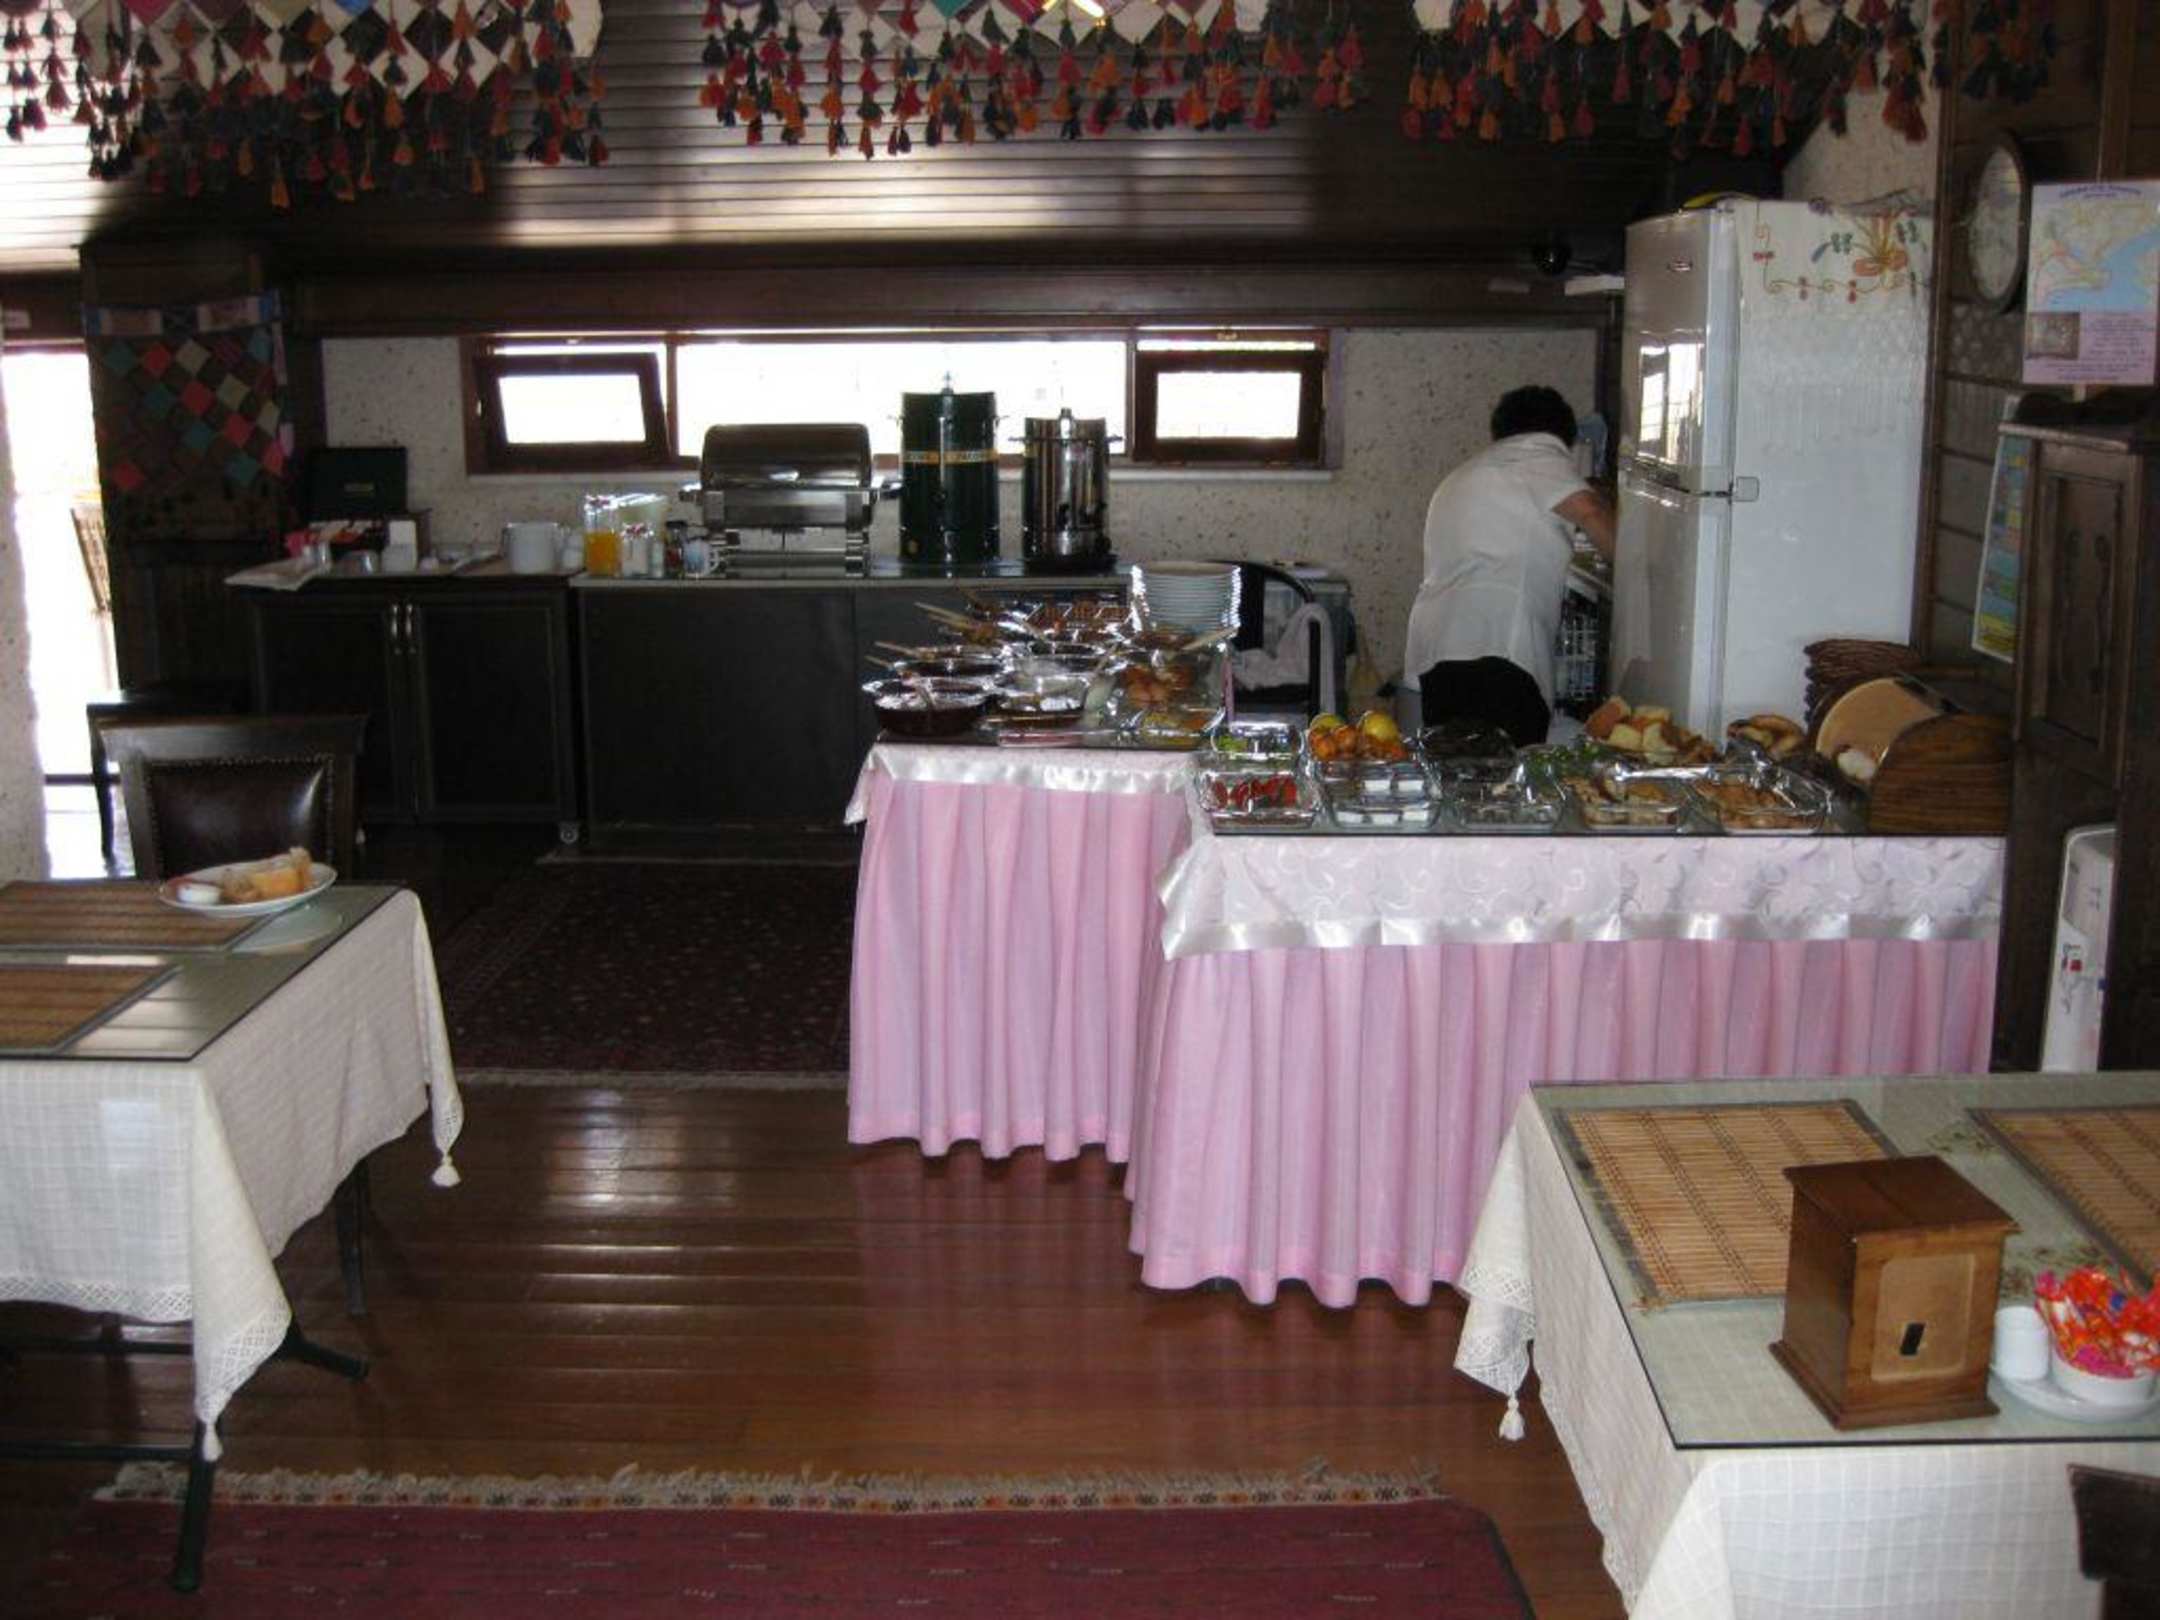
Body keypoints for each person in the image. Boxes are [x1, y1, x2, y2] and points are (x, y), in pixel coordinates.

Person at [1404, 386, 1617, 747]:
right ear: (1561, 436)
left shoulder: (1467, 472)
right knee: (1510, 772)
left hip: (1439, 649)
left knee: (1456, 768)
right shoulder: (1537, 454)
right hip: (1497, 648)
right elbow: (1591, 510)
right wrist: (1639, 574)